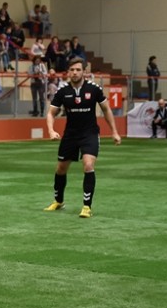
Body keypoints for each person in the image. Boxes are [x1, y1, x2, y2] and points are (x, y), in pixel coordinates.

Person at [44, 58, 122, 218]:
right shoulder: (62, 91)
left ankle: (87, 206)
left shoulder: (94, 89)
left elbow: (106, 110)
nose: (75, 73)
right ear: (68, 72)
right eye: (72, 70)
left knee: (88, 165)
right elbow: (51, 113)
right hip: (70, 135)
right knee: (61, 169)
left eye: (78, 70)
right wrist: (51, 131)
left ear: (84, 72)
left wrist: (114, 132)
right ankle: (58, 201)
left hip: (89, 133)